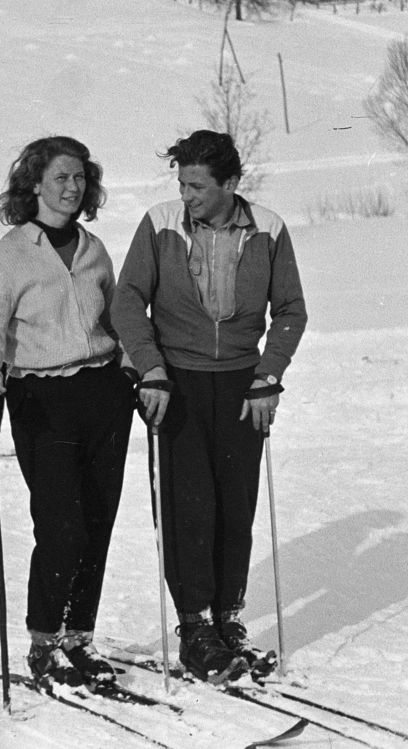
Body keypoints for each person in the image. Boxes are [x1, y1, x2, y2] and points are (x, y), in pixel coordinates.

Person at [112, 130, 307, 682]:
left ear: (230, 183)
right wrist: (149, 366)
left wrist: (269, 377)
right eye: (182, 183)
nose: (188, 194)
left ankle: (228, 619)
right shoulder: (160, 224)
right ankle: (195, 626)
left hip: (244, 385)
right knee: (187, 504)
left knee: (235, 504)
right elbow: (127, 299)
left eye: (198, 185)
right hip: (176, 383)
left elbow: (290, 309)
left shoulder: (268, 229)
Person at [0, 136, 135, 688]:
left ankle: (79, 638)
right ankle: (44, 641)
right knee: (62, 525)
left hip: (104, 394)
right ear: (34, 183)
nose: (72, 187)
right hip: (42, 398)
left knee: (97, 520)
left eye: (80, 178)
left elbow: (117, 321)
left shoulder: (94, 249)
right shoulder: (12, 254)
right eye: (61, 177)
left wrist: (138, 364)